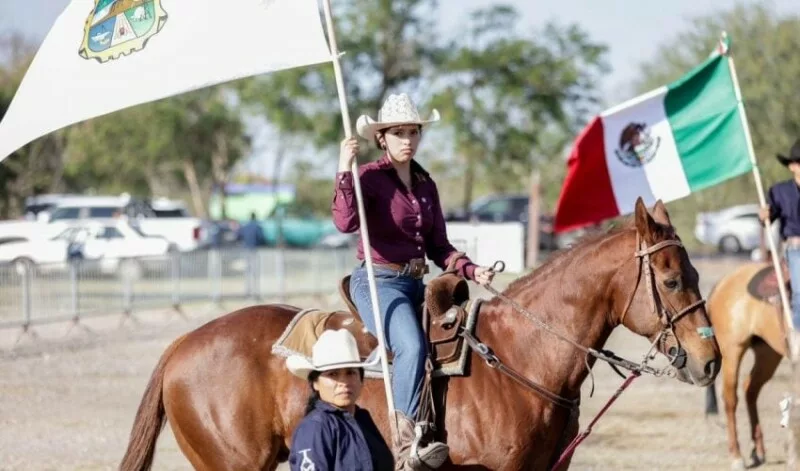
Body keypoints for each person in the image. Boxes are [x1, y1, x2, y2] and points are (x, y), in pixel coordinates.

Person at [331, 93, 496, 470]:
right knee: (410, 345)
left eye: (413, 132)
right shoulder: (368, 179)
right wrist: (344, 167)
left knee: (465, 336)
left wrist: (472, 270)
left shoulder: (426, 184)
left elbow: (439, 245)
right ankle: (406, 449)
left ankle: (439, 425)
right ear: (382, 138)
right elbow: (345, 224)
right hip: (378, 281)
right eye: (398, 132)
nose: (407, 139)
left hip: (417, 283)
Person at [287, 329, 394, 471]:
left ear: (361, 380)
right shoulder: (314, 428)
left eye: (350, 373)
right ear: (315, 383)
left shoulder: (363, 419)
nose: (344, 382)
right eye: (333, 374)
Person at [760, 138, 800, 330]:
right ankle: (799, 335)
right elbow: (769, 216)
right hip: (795, 248)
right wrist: (764, 215)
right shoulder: (779, 191)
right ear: (792, 166)